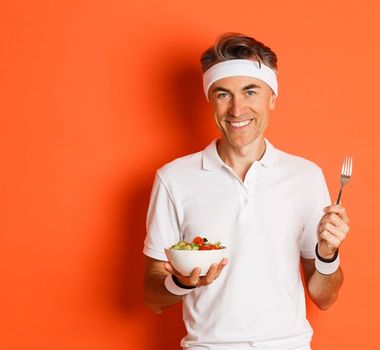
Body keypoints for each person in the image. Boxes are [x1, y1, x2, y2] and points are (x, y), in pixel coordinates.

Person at [142, 32, 351, 350]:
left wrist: (327, 254)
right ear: (209, 100)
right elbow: (153, 297)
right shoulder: (174, 179)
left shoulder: (305, 176)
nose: (237, 109)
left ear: (273, 97)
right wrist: (180, 281)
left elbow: (325, 297)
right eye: (223, 94)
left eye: (250, 91)